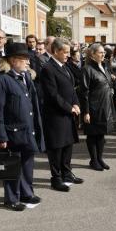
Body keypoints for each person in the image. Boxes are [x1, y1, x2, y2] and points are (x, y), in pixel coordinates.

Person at [0, 43, 45, 211]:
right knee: (13, 165)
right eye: (24, 59)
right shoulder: (1, 79)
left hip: (27, 129)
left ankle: (26, 192)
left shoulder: (25, 76)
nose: (28, 63)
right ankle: (12, 198)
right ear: (12, 61)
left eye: (28, 59)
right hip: (11, 132)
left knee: (27, 163)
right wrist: (1, 136)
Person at [40, 38, 83, 192]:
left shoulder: (66, 67)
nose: (68, 55)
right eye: (65, 52)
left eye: (69, 52)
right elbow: (52, 95)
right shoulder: (48, 68)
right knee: (56, 148)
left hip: (67, 114)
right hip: (55, 116)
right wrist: (69, 108)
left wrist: (76, 103)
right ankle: (56, 178)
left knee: (67, 145)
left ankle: (67, 173)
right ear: (56, 51)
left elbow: (72, 89)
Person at [81, 43, 116, 170]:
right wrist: (86, 111)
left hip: (105, 106)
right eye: (100, 52)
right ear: (92, 54)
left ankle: (100, 158)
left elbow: (108, 82)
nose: (103, 54)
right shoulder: (87, 69)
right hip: (93, 107)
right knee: (92, 135)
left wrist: (111, 88)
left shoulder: (105, 66)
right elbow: (84, 92)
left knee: (101, 134)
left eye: (104, 52)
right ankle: (93, 160)